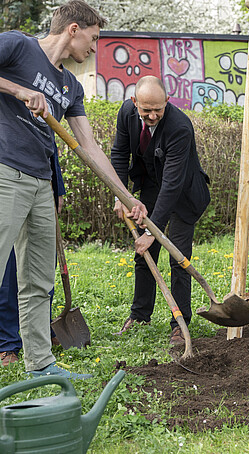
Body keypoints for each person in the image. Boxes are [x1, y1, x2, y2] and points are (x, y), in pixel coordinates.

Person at [0, 0, 147, 379]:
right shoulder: (19, 46)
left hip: (41, 184)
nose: (94, 49)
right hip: (6, 173)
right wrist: (19, 91)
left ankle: (42, 364)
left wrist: (125, 196)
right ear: (73, 29)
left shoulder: (70, 86)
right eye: (94, 39)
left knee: (37, 281)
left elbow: (89, 147)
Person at [111, 75, 211, 345]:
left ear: (167, 101)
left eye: (158, 109)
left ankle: (180, 324)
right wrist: (121, 195)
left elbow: (173, 185)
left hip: (184, 193)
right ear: (134, 103)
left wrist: (153, 232)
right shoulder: (126, 113)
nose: (153, 115)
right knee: (145, 255)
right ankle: (140, 315)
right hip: (153, 187)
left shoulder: (180, 127)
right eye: (146, 110)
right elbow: (119, 154)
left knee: (178, 255)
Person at [0, 144, 65, 367]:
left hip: (42, 185)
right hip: (10, 181)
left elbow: (49, 147)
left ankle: (42, 333)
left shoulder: (50, 111)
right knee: (9, 272)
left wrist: (58, 189)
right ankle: (8, 343)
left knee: (41, 272)